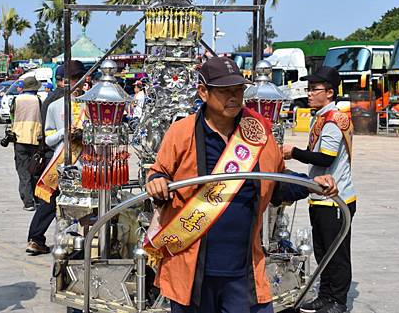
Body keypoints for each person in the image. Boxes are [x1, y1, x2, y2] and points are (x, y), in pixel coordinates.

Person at [144, 57, 338, 313]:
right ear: (204, 92)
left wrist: (311, 184)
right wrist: (156, 182)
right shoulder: (182, 132)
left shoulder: (258, 133)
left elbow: (278, 182)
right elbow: (158, 174)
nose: (234, 97)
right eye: (225, 91)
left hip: (244, 268)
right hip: (190, 268)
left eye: (238, 90)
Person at [282, 66, 356, 313]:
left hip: (336, 198)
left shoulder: (334, 120)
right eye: (309, 89)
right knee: (323, 251)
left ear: (330, 92)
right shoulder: (321, 117)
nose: (310, 93)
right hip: (320, 196)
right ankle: (325, 296)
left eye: (315, 89)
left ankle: (338, 300)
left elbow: (325, 157)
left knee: (337, 253)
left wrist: (294, 152)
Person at [27, 61, 87, 255]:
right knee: (52, 200)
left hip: (86, 161)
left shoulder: (90, 104)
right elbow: (49, 138)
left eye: (80, 78)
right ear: (63, 81)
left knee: (85, 204)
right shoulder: (54, 105)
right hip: (60, 161)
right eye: (73, 79)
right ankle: (39, 239)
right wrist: (64, 132)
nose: (77, 83)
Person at [11, 76, 43, 211]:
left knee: (23, 171)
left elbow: (12, 115)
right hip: (36, 138)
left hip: (19, 138)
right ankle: (37, 198)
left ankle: (28, 202)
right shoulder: (38, 100)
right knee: (35, 170)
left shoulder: (16, 100)